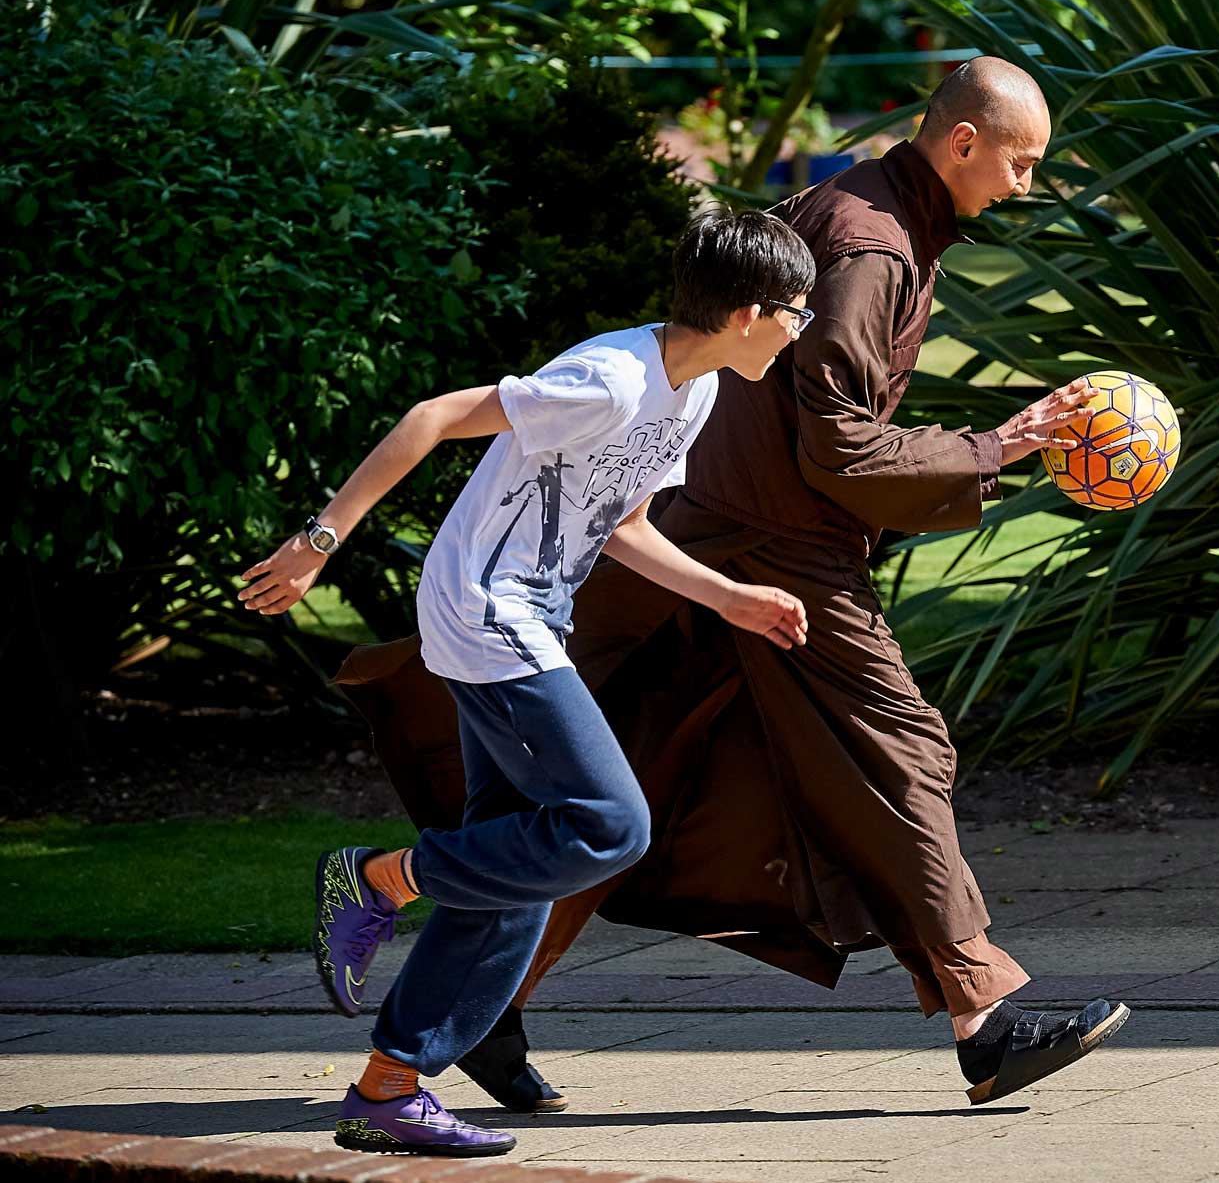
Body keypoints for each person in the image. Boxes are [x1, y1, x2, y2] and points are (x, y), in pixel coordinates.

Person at [338, 56, 1127, 1112]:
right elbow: (838, 446)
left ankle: (483, 1006)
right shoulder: (873, 243)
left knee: (627, 781)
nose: (1026, 185)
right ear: (962, 142)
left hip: (702, 531)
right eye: (1020, 163)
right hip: (773, 543)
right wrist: (995, 446)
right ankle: (983, 1020)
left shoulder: (866, 204)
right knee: (898, 751)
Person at [238, 209, 819, 1157]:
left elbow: (619, 520)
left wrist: (728, 597)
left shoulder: (696, 392)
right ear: (750, 310)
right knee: (608, 823)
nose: (801, 331)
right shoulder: (609, 379)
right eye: (796, 313)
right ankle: (379, 878)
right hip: (484, 606)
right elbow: (433, 418)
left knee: (522, 872)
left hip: (534, 612)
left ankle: (387, 1089)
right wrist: (319, 541)